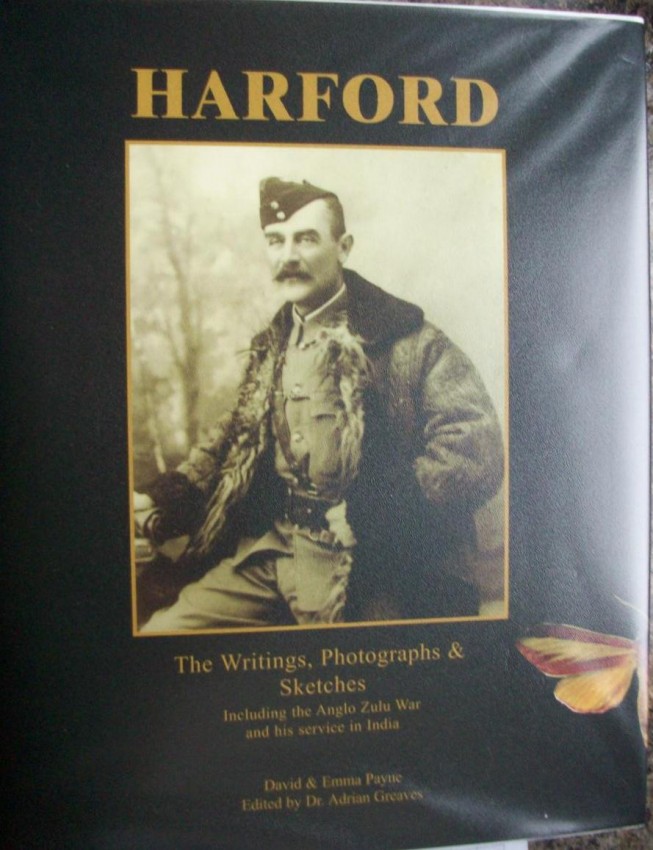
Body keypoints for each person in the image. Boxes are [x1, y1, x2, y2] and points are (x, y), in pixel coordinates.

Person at [135, 177, 503, 631]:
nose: (288, 256)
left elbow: (475, 448)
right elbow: (229, 441)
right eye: (276, 241)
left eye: (306, 239)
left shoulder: (407, 342)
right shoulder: (271, 347)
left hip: (370, 564)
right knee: (163, 633)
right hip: (273, 550)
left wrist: (376, 510)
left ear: (343, 248)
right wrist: (163, 497)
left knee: (377, 663)